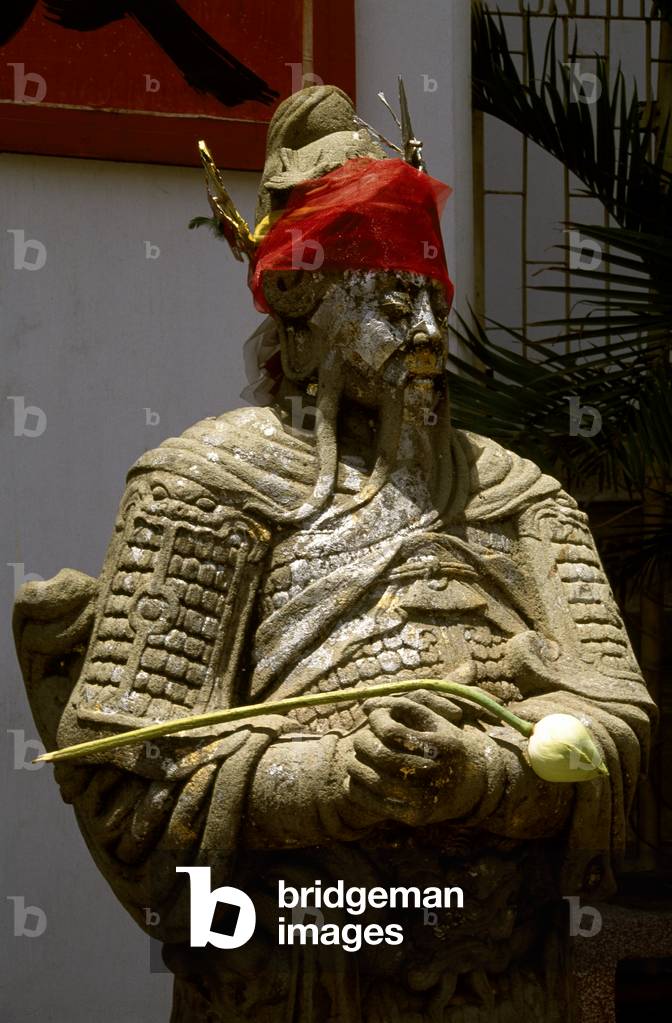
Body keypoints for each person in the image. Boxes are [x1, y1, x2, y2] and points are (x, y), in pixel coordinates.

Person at [14, 85, 654, 1022]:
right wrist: (330, 784)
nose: (431, 336)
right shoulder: (202, 483)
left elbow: (617, 722)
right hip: (292, 976)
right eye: (395, 306)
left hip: (510, 977)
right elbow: (131, 774)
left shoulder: (522, 496)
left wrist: (488, 775)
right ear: (303, 306)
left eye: (434, 301)